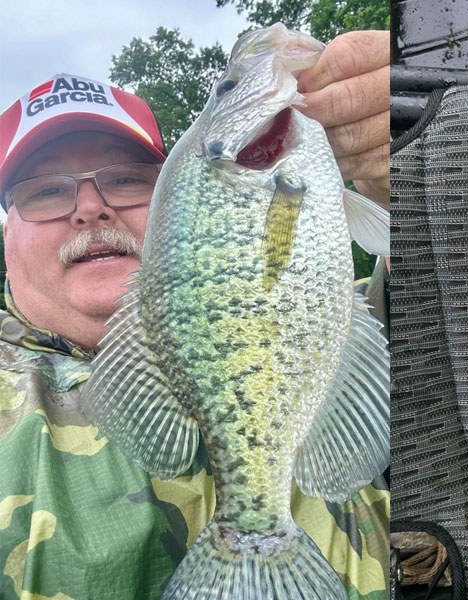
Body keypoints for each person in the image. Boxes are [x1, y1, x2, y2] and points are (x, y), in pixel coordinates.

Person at [0, 30, 389, 600]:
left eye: (126, 180)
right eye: (43, 191)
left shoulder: (350, 315)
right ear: (8, 234)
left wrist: (398, 178)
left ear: (172, 197)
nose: (90, 208)